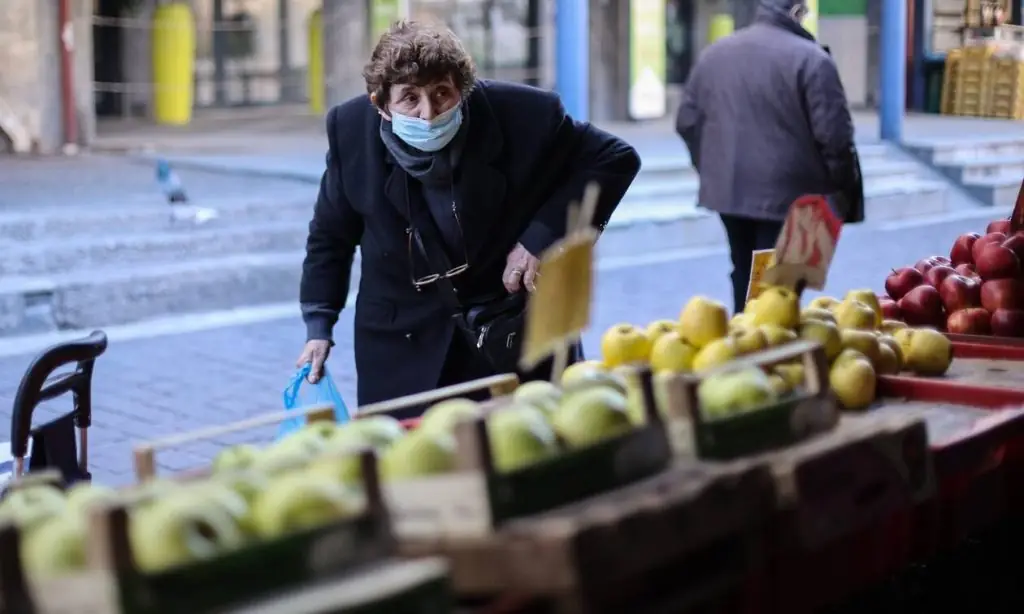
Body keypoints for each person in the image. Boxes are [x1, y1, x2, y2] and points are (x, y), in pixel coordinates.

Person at [296, 20, 641, 414]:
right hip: (402, 340)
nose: (428, 114)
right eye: (410, 98)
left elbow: (614, 158)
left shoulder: (525, 114)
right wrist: (319, 325)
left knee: (527, 451)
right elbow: (330, 237)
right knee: (409, 465)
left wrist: (543, 237)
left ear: (462, 89)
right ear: (381, 104)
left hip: (511, 329)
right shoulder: (350, 131)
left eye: (441, 94)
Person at [675, 0, 860, 314]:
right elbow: (836, 139)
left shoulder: (715, 54)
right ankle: (767, 355)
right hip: (793, 197)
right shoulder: (812, 60)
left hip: (729, 190)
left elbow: (686, 122)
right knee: (780, 286)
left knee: (744, 270)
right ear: (796, 12)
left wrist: (710, 168)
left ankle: (743, 343)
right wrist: (839, 188)